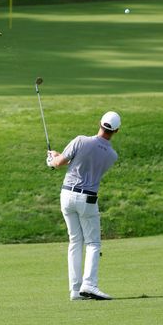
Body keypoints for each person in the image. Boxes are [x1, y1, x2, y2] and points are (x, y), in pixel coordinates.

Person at [47, 111, 120, 301]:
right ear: (116, 131)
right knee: (93, 243)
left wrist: (52, 159)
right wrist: (59, 158)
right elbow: (87, 162)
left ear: (100, 123)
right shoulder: (112, 155)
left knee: (75, 241)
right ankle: (90, 284)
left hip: (67, 195)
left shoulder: (80, 140)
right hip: (87, 199)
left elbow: (59, 163)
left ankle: (75, 290)